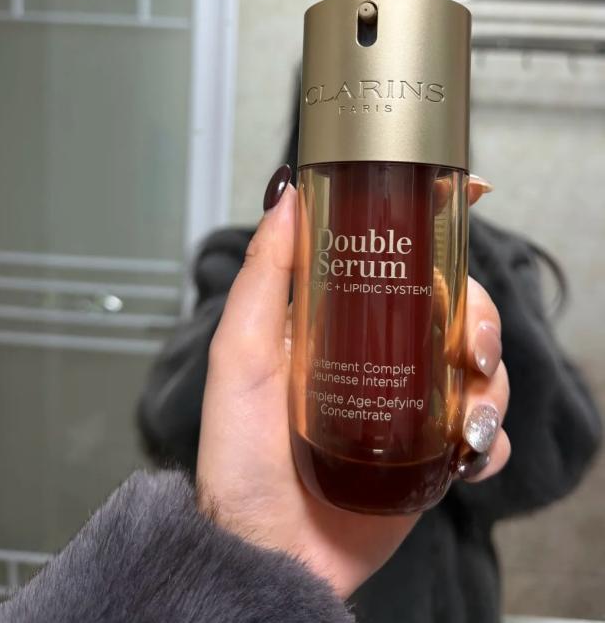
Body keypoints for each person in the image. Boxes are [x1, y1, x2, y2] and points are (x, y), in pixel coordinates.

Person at [137, 112, 602, 623]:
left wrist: (451, 237)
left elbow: (559, 456)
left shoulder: (494, 256)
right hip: (281, 585)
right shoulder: (247, 257)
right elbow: (169, 426)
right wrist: (301, 266)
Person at [0, 171, 512, 622]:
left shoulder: (470, 251)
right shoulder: (245, 257)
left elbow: (541, 459)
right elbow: (167, 415)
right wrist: (251, 545)